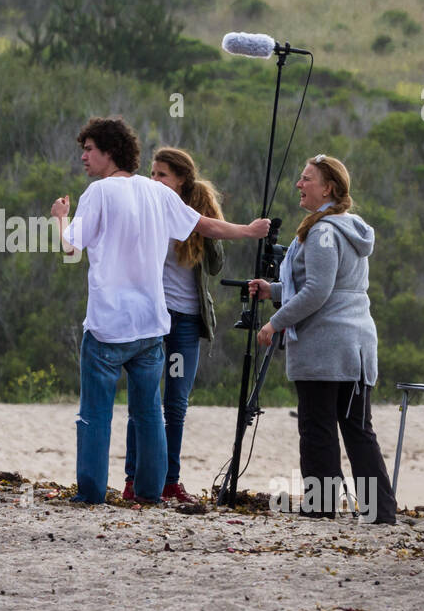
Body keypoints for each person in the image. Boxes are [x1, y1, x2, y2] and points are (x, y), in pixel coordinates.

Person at [52, 117, 271, 505]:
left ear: (109, 152)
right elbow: (205, 225)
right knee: (150, 412)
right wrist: (249, 231)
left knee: (96, 415)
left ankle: (90, 493)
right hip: (151, 325)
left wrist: (59, 217)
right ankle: (151, 493)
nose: (83, 157)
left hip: (107, 325)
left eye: (89, 149)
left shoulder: (98, 193)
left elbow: (71, 249)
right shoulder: (158, 194)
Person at [248, 154, 395, 524]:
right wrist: (275, 290)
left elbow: (317, 291)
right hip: (357, 347)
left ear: (327, 187)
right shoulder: (348, 226)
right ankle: (381, 512)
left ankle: (321, 505)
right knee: (358, 428)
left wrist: (275, 323)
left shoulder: (322, 231)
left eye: (306, 179)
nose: (299, 185)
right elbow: (328, 286)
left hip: (326, 347)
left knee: (317, 427)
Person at [120, 147, 226, 504]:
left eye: (162, 174)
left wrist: (204, 220)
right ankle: (134, 480)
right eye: (152, 174)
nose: (155, 181)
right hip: (154, 319)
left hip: (186, 320)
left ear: (181, 180)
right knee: (142, 399)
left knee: (175, 404)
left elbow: (215, 266)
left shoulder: (195, 212)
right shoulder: (146, 211)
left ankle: (170, 481)